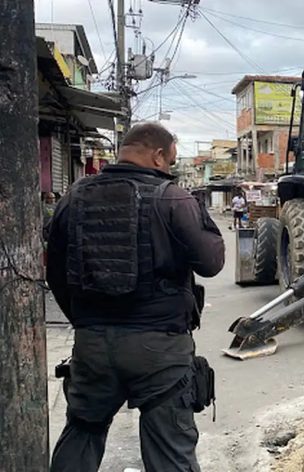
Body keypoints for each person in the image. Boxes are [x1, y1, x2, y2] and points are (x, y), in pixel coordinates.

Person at [46, 123, 225, 472]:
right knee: (170, 451)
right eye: (170, 161)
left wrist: (86, 322)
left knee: (81, 434)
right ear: (158, 156)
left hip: (93, 345)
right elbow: (212, 263)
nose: (170, 168)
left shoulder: (73, 197)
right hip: (159, 350)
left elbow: (55, 273)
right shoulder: (173, 198)